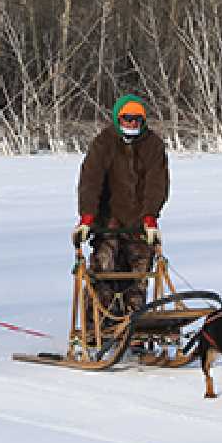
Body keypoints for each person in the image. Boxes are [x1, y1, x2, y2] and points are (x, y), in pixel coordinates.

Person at [75, 94, 169, 317]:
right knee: (104, 271)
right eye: (127, 118)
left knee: (138, 275)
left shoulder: (152, 145)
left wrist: (150, 218)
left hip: (139, 223)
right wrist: (87, 219)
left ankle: (134, 328)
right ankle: (97, 326)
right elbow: (91, 182)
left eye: (137, 119)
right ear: (118, 119)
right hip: (108, 221)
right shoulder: (103, 143)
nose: (132, 123)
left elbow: (157, 184)